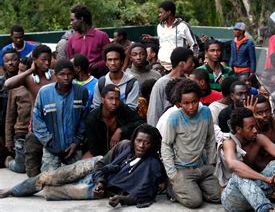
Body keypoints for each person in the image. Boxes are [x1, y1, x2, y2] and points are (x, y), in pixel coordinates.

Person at [0, 125, 166, 208]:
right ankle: (13, 190)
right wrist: (100, 179)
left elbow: (143, 194)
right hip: (96, 167)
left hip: (102, 188)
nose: (142, 146)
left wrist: (120, 199)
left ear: (153, 145)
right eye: (139, 141)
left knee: (50, 191)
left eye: (147, 143)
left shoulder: (152, 165)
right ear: (134, 139)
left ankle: (25, 188)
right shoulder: (124, 146)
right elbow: (101, 163)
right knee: (48, 177)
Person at [218, 107, 275, 211]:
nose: (255, 130)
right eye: (250, 127)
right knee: (238, 176)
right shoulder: (229, 142)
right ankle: (266, 209)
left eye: (255, 126)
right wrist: (265, 178)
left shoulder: (259, 139)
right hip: (233, 199)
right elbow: (233, 165)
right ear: (239, 129)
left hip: (255, 192)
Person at [161, 79, 220, 208]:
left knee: (219, 196)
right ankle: (173, 188)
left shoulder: (205, 112)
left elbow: (210, 138)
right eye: (186, 103)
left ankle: (192, 187)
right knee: (195, 201)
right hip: (181, 169)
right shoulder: (174, 118)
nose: (191, 107)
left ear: (199, 99)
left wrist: (211, 162)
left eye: (194, 102)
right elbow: (166, 145)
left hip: (201, 166)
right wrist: (173, 175)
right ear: (179, 104)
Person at [4, 45, 55, 177]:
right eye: (43, 59)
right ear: (34, 60)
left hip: (53, 126)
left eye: (49, 59)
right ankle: (9, 162)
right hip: (34, 128)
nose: (47, 62)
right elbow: (7, 84)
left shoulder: (55, 76)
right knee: (25, 169)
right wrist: (29, 71)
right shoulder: (29, 79)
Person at [32, 59, 89, 172]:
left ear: (74, 74)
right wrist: (49, 142)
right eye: (62, 74)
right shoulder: (44, 92)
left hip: (73, 147)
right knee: (48, 181)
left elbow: (85, 118)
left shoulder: (81, 92)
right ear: (55, 75)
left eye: (69, 74)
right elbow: (37, 119)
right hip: (51, 147)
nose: (66, 78)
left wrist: (76, 142)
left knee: (78, 180)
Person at [85, 84, 144, 158]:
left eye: (117, 99)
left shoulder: (122, 109)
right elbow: (94, 149)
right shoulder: (92, 119)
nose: (114, 102)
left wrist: (121, 130)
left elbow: (140, 123)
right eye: (110, 98)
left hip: (125, 151)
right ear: (102, 100)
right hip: (102, 155)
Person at [142, 0, 198, 71]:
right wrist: (153, 39)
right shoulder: (160, 26)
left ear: (169, 12)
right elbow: (166, 41)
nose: (159, 14)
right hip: (161, 65)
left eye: (161, 12)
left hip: (177, 67)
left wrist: (189, 63)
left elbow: (194, 45)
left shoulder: (183, 26)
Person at [147, 47, 195, 127]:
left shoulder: (189, 82)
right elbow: (154, 112)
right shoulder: (161, 83)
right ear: (182, 64)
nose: (193, 64)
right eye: (191, 61)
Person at [66, 5, 111, 78]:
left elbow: (110, 57)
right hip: (79, 81)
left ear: (81, 19)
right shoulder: (71, 40)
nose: (71, 23)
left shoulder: (102, 36)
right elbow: (69, 61)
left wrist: (98, 65)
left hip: (100, 79)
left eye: (72, 20)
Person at [4, 57, 32, 173]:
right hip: (21, 131)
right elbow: (9, 116)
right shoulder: (14, 88)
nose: (19, 74)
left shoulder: (37, 85)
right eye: (19, 71)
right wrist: (8, 140)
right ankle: (9, 161)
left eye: (23, 71)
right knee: (21, 168)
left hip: (37, 132)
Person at [92, 44, 140, 110]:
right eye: (109, 60)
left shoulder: (132, 82)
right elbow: (96, 107)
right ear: (106, 63)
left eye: (116, 59)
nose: (113, 63)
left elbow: (132, 108)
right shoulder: (101, 83)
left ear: (122, 62)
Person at [1, 49, 20, 167]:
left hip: (19, 127)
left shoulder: (26, 81)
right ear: (3, 63)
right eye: (7, 61)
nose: (10, 63)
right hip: (3, 126)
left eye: (14, 60)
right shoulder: (1, 83)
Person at [209, 77, 239, 143]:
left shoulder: (237, 106)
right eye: (239, 93)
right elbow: (214, 131)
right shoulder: (214, 108)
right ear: (232, 95)